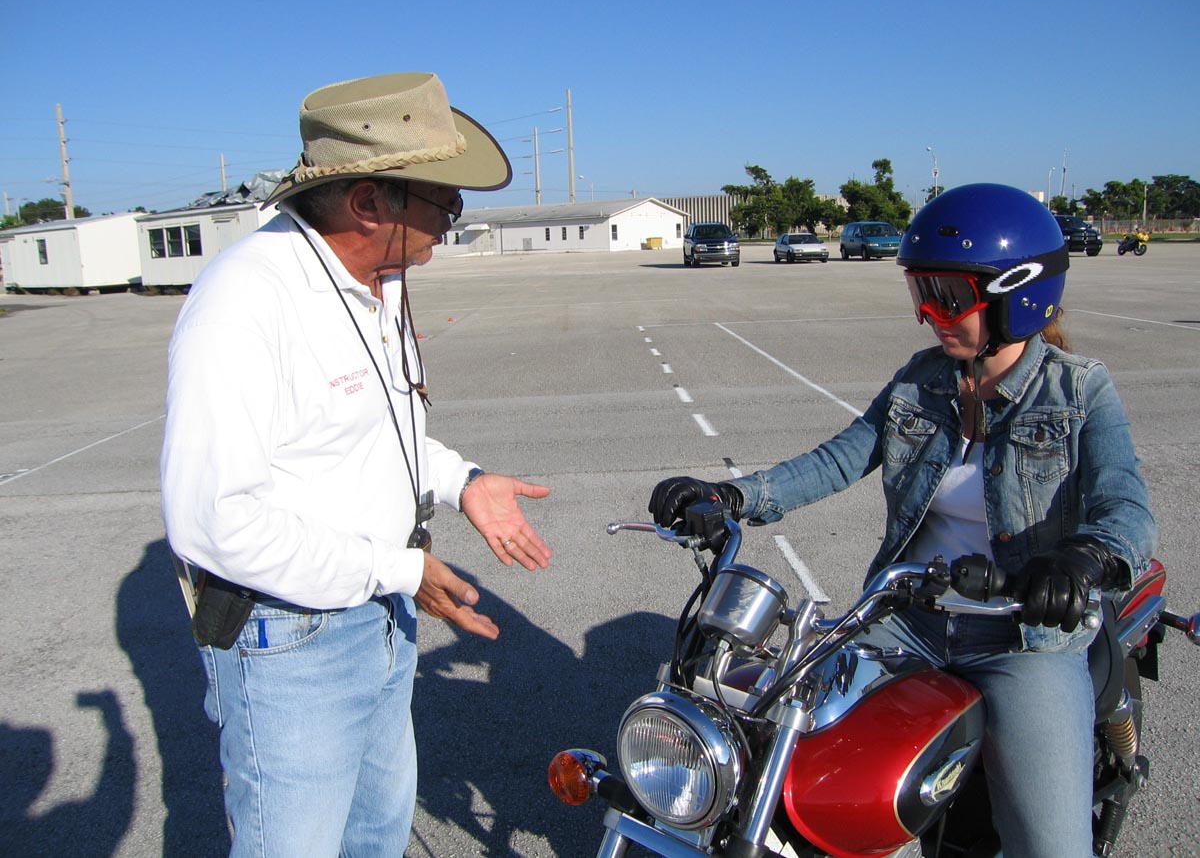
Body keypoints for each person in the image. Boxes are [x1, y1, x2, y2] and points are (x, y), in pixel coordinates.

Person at [649, 183, 1156, 858]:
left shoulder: (1079, 388)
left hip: (1021, 636)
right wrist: (730, 496)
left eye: (946, 295)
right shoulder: (923, 380)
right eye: (921, 292)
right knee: (781, 743)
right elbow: (838, 459)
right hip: (905, 620)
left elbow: (1127, 507)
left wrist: (1080, 562)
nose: (928, 315)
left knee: (1051, 847)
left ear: (1018, 294)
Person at [160, 72, 552, 857]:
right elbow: (214, 522)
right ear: (369, 201)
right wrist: (404, 570)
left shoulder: (376, 283)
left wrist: (463, 481)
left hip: (380, 613)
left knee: (376, 835)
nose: (453, 219)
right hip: (291, 639)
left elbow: (371, 435)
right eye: (444, 201)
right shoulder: (247, 301)